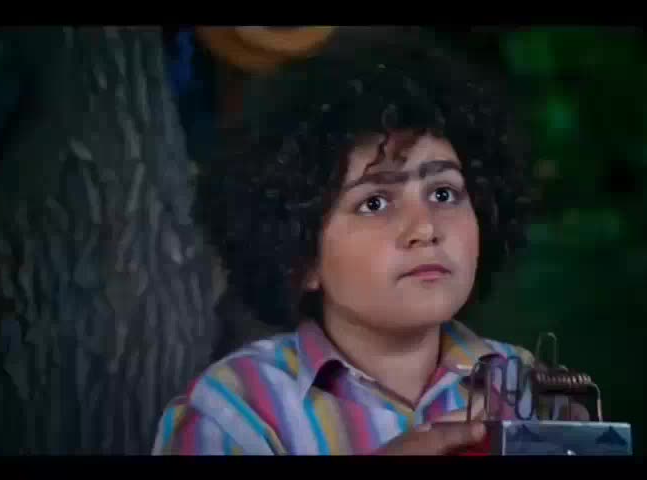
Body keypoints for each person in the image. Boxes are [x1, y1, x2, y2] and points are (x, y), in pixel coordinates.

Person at [152, 30, 586, 456]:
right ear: (301, 256)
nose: (426, 229)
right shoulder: (234, 411)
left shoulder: (534, 390)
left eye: (443, 193)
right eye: (374, 203)